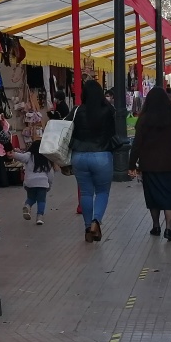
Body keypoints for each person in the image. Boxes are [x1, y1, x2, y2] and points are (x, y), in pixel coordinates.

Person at [129, 86, 171, 241]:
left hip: (150, 165)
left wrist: (131, 164)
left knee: (153, 195)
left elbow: (137, 143)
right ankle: (169, 228)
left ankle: (156, 226)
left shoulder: (145, 117)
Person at [71, 79, 116, 243]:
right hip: (102, 155)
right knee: (102, 192)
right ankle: (96, 221)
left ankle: (87, 228)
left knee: (86, 193)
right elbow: (114, 132)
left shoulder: (77, 110)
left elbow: (66, 127)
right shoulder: (108, 110)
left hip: (79, 156)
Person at [9, 140, 51, 225]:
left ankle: (27, 206)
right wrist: (49, 184)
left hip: (30, 182)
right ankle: (39, 217)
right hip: (43, 182)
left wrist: (13, 154)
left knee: (31, 198)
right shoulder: (46, 158)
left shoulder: (29, 155)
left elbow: (21, 157)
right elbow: (51, 174)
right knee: (41, 200)